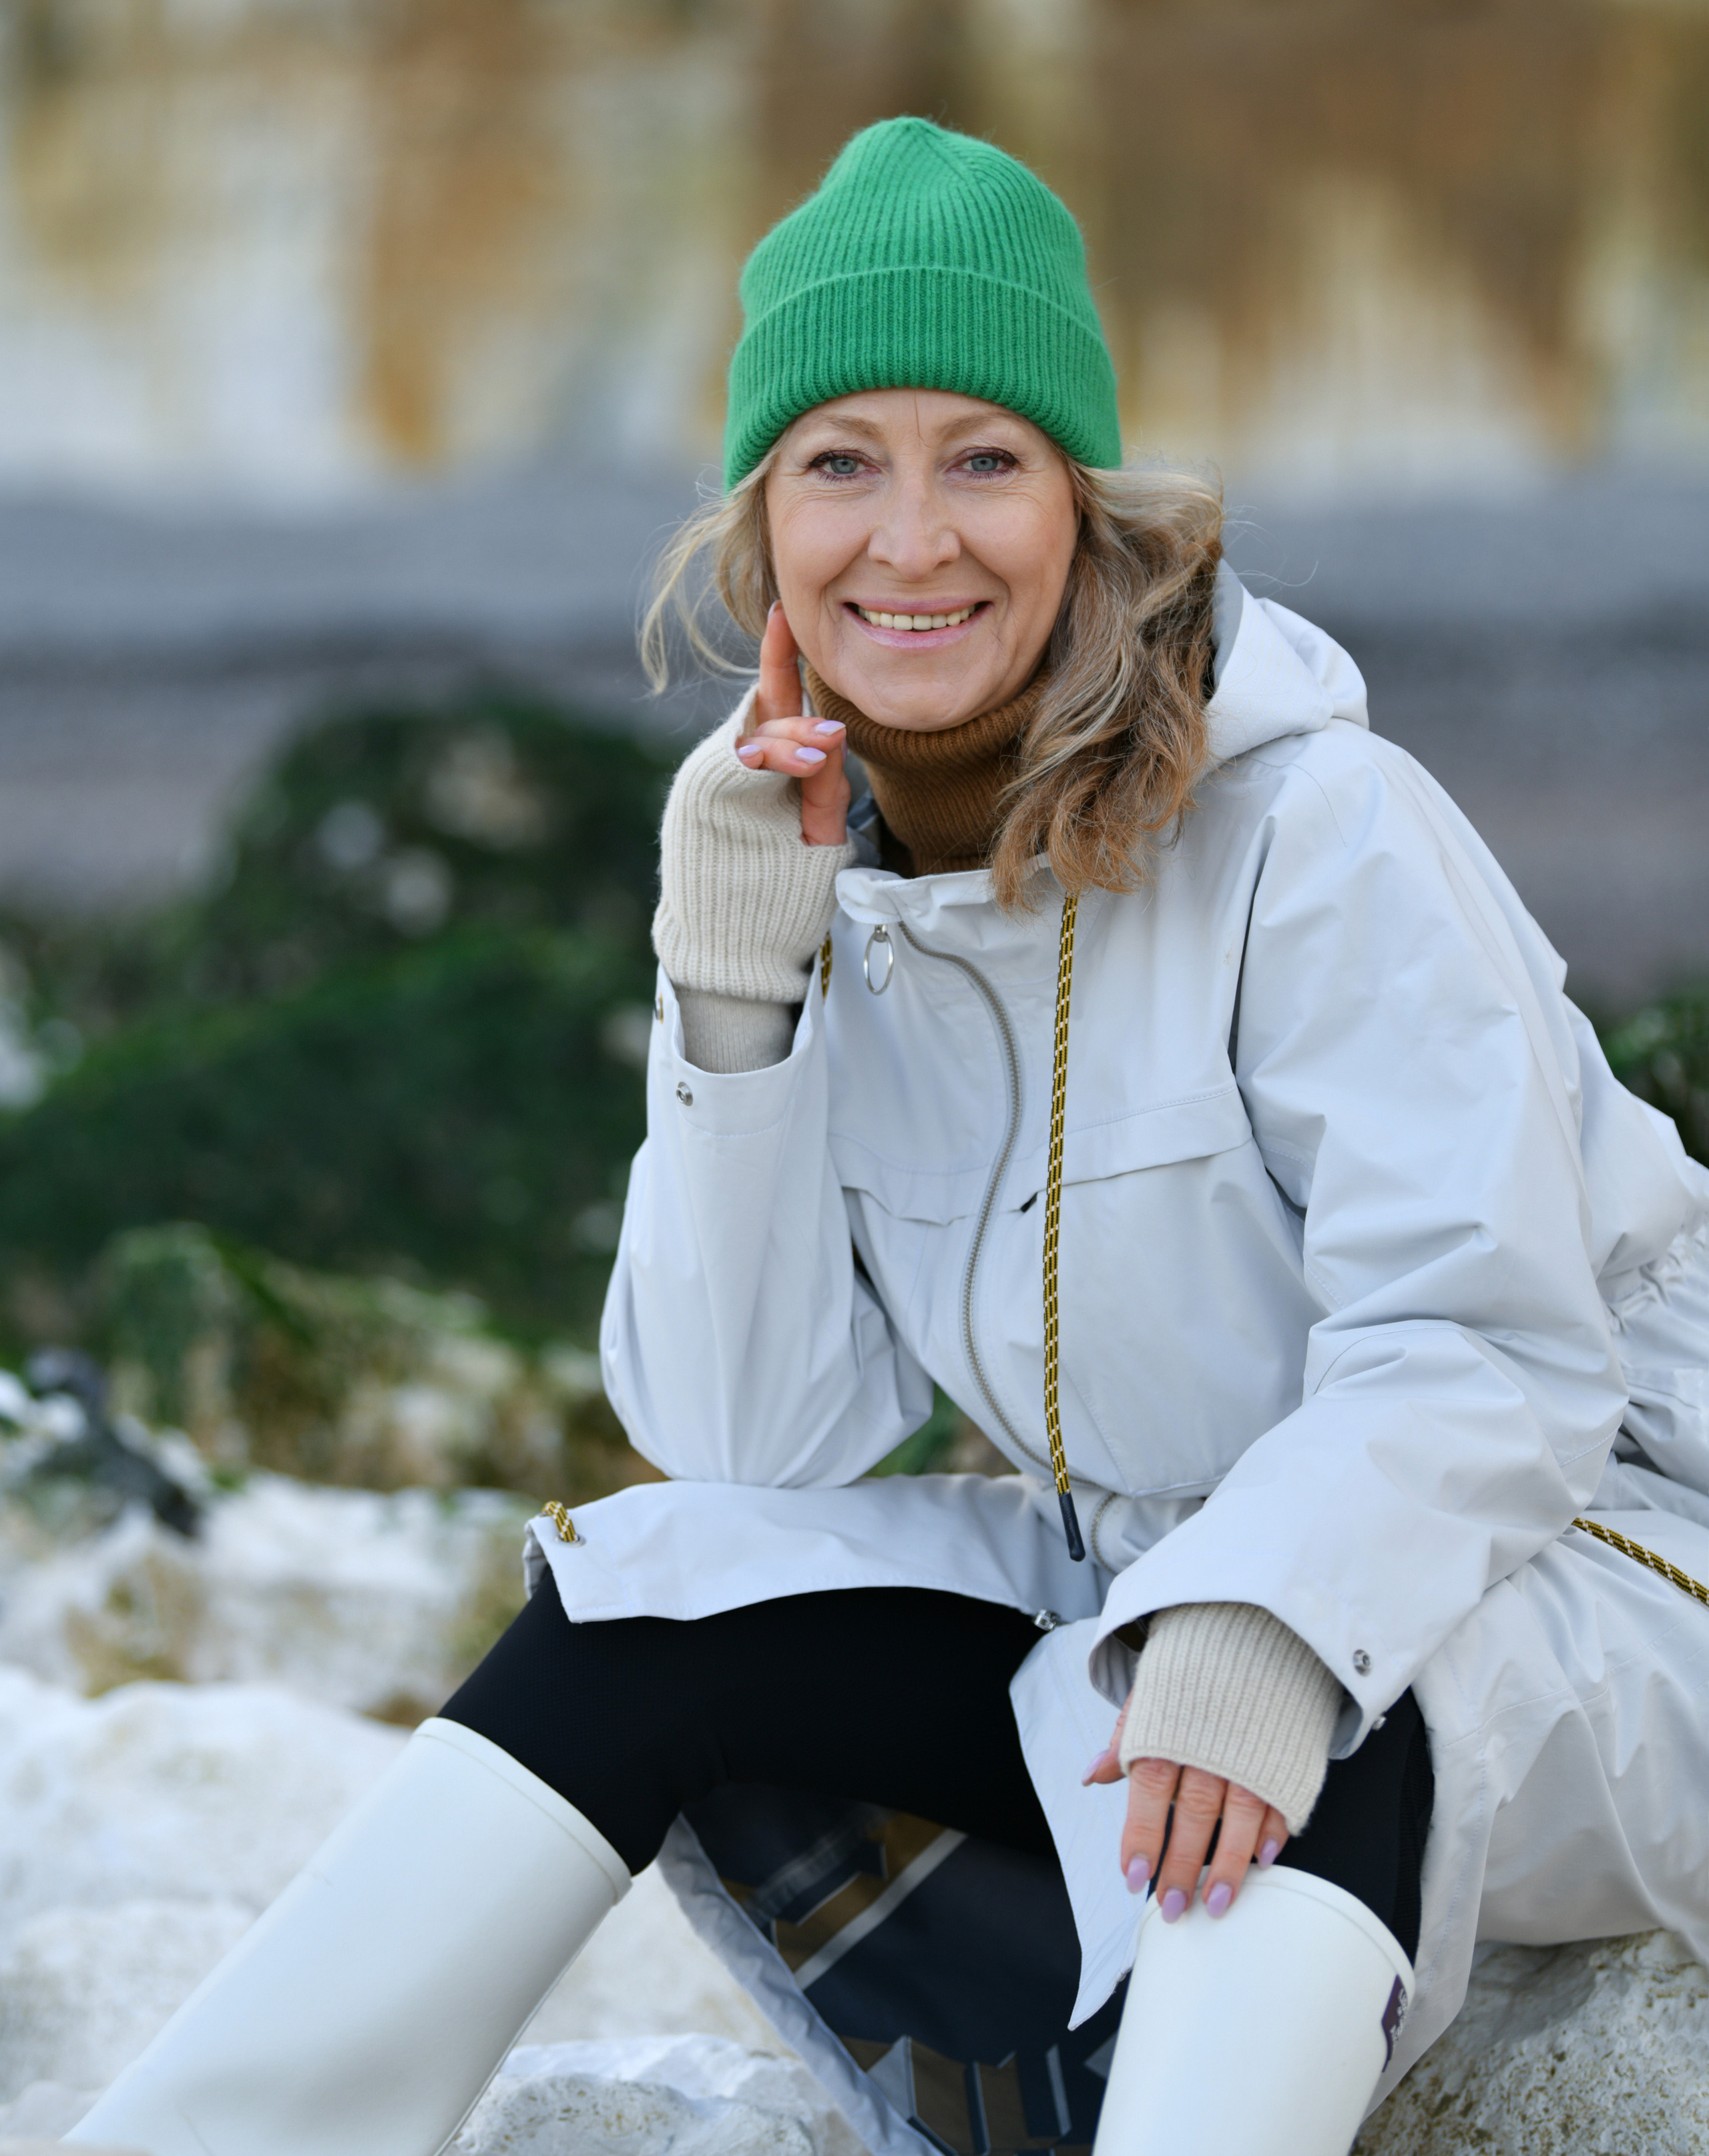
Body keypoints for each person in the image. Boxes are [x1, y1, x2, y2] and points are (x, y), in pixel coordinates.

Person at [71, 121, 1709, 2156]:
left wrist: (1274, 1620)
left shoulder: (1325, 828)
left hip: (1605, 1571)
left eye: (983, 460)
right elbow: (751, 1441)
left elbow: (1492, 1347)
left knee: (1291, 1714)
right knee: (644, 1603)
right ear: (762, 527)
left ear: (1084, 509)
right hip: (1158, 1576)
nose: (912, 541)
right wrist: (735, 997)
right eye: (841, 463)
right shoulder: (837, 893)